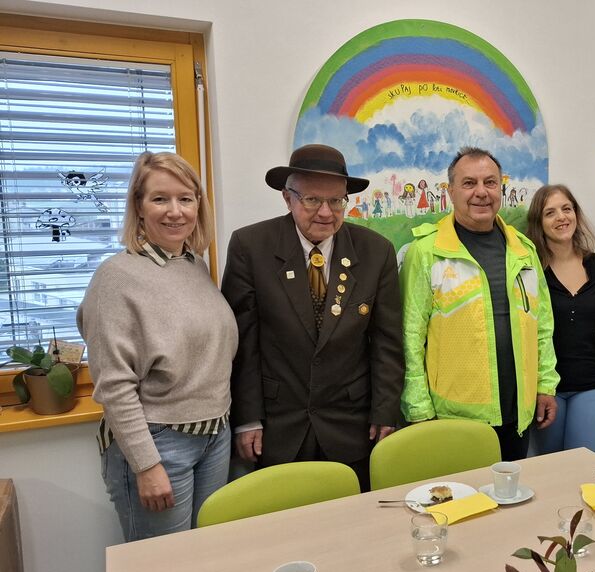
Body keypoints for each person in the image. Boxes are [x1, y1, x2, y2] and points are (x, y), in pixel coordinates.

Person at [221, 144, 403, 491]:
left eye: (336, 201)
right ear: (287, 198)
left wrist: (385, 412)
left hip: (352, 425)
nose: (325, 212)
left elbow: (387, 342)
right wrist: (247, 418)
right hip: (277, 427)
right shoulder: (251, 247)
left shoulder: (376, 251)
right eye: (312, 200)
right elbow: (242, 343)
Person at [78, 151, 236, 541]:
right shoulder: (116, 277)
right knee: (164, 563)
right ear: (138, 206)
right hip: (160, 443)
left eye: (186, 199)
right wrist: (146, 465)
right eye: (160, 199)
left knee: (206, 555)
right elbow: (114, 384)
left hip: (214, 434)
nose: (175, 211)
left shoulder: (193, 264)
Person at [401, 147, 559, 460]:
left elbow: (541, 325)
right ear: (450, 191)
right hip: (453, 418)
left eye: (490, 182)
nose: (481, 192)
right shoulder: (427, 252)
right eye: (469, 183)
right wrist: (419, 410)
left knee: (511, 489)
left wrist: (545, 384)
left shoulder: (523, 251)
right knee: (460, 493)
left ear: (501, 188)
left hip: (517, 412)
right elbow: (409, 335)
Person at [525, 185, 595, 457]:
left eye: (566, 209)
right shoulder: (529, 270)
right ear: (539, 222)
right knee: (548, 469)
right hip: (545, 388)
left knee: (586, 467)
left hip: (592, 383)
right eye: (550, 213)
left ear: (576, 214)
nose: (561, 217)